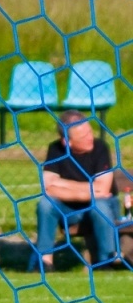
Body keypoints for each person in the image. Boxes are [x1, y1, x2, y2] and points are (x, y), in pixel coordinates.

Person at [35, 110, 120, 272]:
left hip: (103, 208)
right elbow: (48, 187)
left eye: (90, 131)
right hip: (70, 211)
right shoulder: (55, 150)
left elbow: (103, 189)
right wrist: (87, 191)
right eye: (83, 137)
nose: (90, 137)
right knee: (45, 204)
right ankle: (45, 262)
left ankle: (105, 262)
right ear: (67, 142)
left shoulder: (100, 147)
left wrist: (63, 185)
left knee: (99, 206)